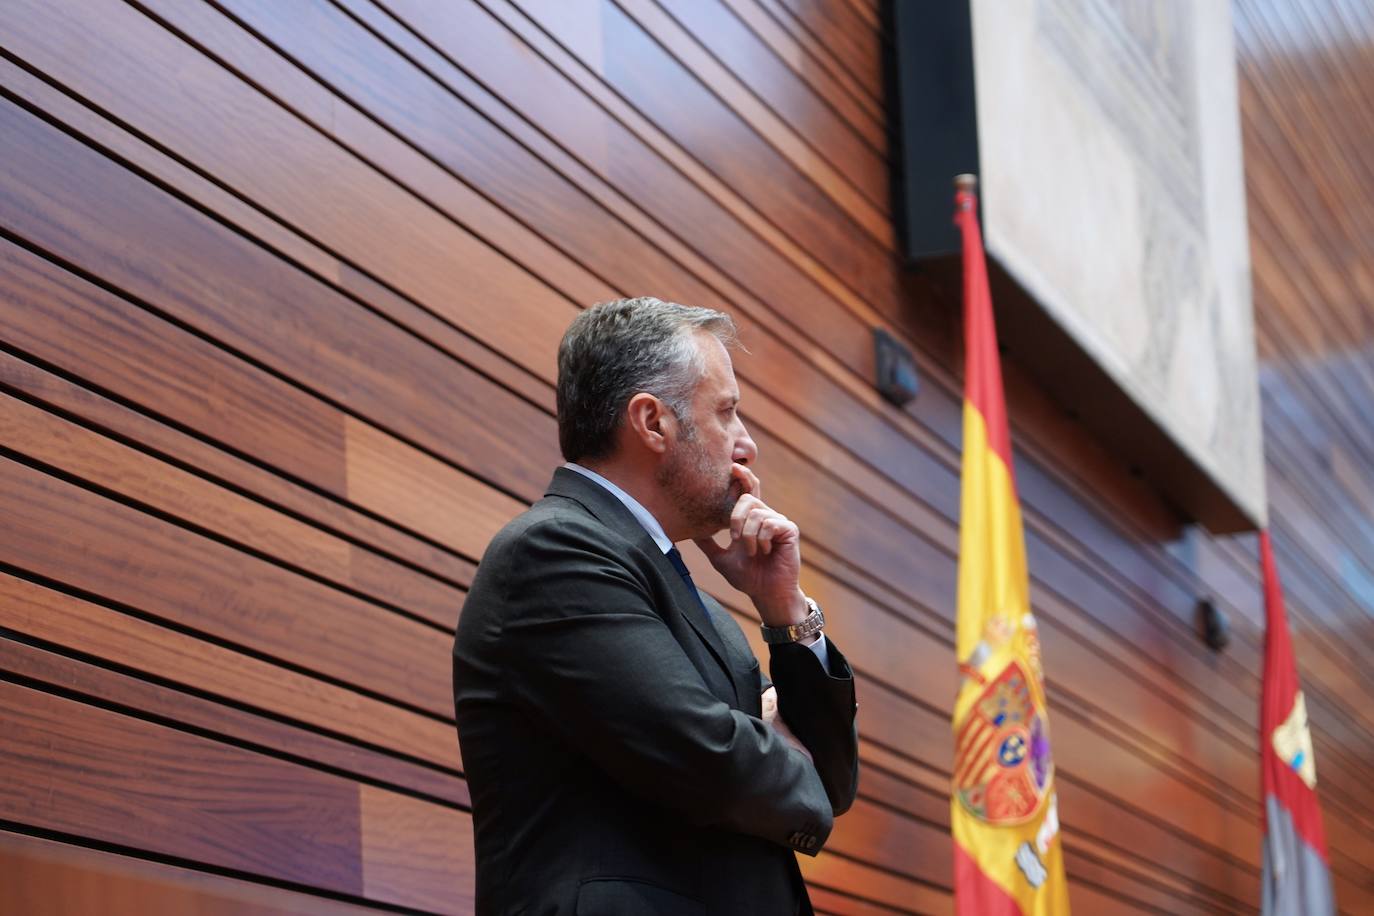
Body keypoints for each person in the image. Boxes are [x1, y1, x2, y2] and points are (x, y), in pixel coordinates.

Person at [453, 297, 859, 915]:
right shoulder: (555, 552)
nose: (746, 446)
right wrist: (768, 742)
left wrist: (784, 611)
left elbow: (831, 783)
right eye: (726, 413)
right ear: (651, 422)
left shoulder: (705, 613)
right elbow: (713, 762)